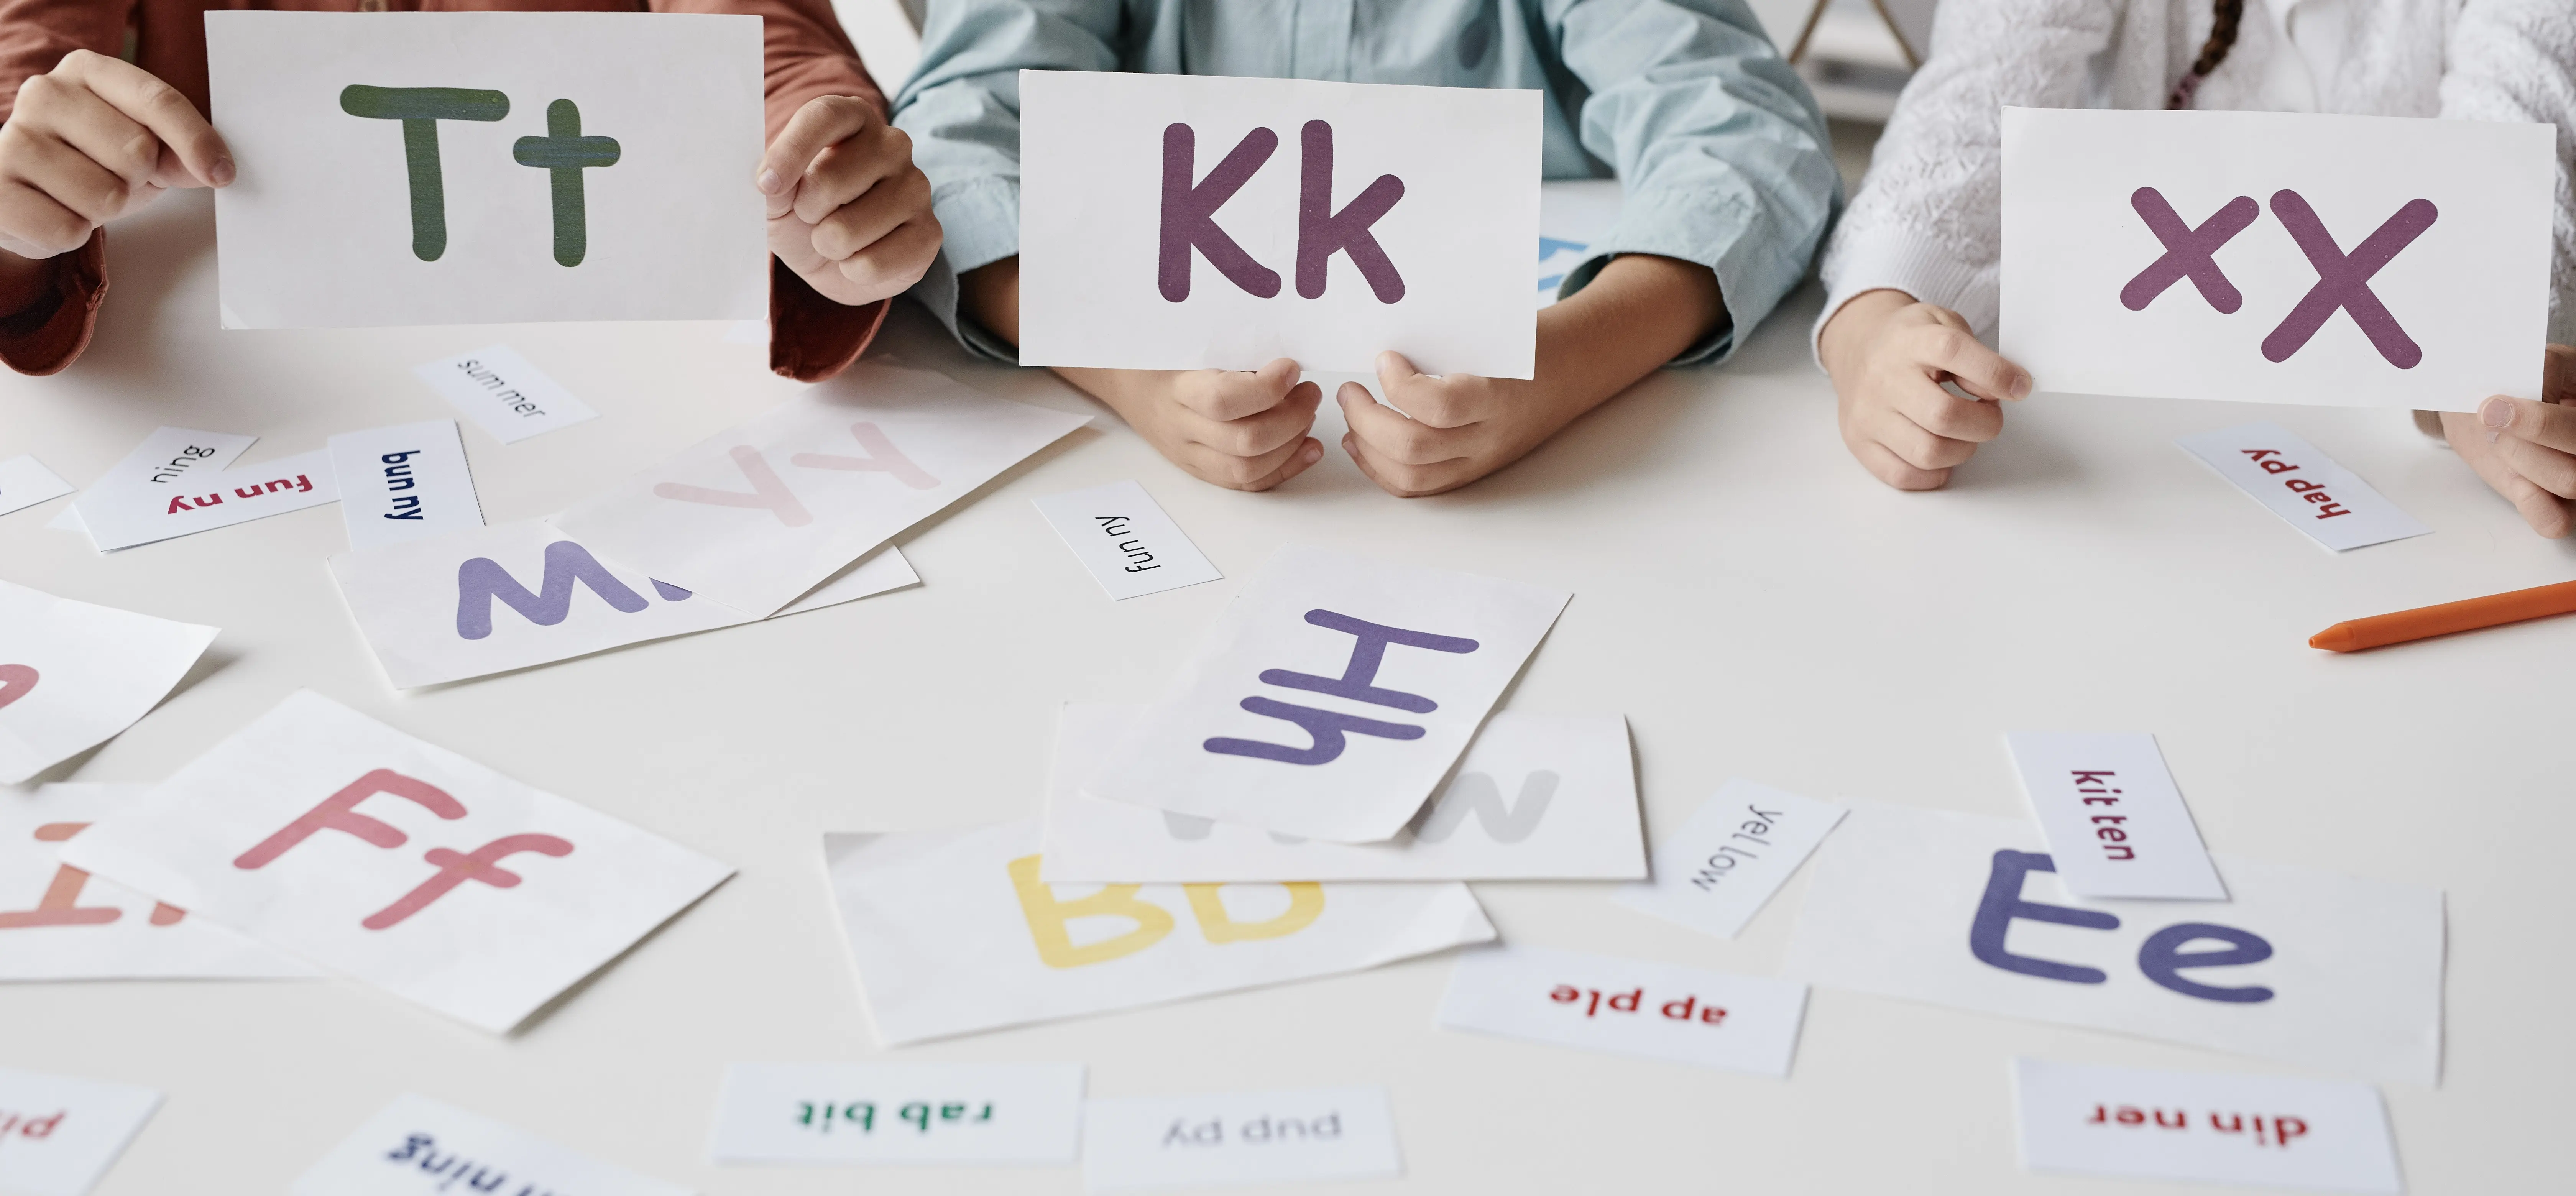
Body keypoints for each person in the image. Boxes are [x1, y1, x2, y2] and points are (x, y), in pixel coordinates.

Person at [891, 0, 1840, 495]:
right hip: (1144, 435)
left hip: (1559, 432)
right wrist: (1126, 368)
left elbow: (1748, 137)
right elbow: (950, 141)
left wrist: (1564, 363)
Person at [1816, 0, 2576, 533]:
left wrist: (2478, 374)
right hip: (2129, 459)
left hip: (2393, 465)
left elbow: (2524, 117)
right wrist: (1873, 318)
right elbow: (1977, 93)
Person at [0, 0, 938, 382]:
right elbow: (23, 66)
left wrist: (832, 188)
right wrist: (18, 208)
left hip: (603, 363)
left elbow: (773, 50)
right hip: (252, 359)